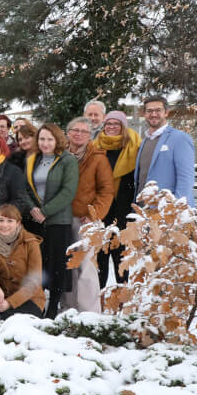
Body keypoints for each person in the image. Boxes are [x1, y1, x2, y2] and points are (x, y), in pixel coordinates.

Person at [23, 123, 79, 317]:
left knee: (56, 264)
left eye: (49, 139)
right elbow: (26, 188)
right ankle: (37, 302)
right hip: (35, 221)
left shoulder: (67, 160)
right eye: (41, 139)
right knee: (38, 263)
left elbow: (68, 191)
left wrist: (45, 211)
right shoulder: (33, 160)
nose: (45, 143)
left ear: (57, 140)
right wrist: (33, 209)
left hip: (58, 220)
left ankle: (53, 305)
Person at [62, 117, 113, 313]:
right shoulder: (60, 154)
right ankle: (68, 308)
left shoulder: (98, 158)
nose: (79, 134)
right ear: (68, 133)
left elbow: (106, 190)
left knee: (85, 268)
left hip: (85, 220)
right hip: (62, 219)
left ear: (90, 135)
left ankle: (89, 313)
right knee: (68, 266)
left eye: (84, 132)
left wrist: (95, 214)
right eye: (75, 130)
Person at [95, 111, 140, 286]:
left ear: (123, 126)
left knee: (121, 255)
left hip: (124, 207)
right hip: (101, 207)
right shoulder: (95, 146)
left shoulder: (134, 146)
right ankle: (98, 298)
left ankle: (122, 297)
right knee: (101, 253)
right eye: (108, 123)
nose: (112, 127)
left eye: (116, 124)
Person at [136, 95, 195, 206]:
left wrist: (177, 209)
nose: (153, 114)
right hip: (144, 210)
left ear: (166, 112)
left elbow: (186, 178)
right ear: (144, 114)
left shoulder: (179, 138)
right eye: (149, 111)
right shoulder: (145, 140)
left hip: (168, 210)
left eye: (158, 110)